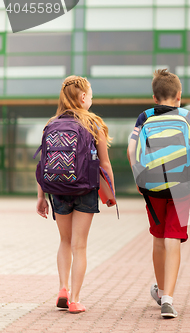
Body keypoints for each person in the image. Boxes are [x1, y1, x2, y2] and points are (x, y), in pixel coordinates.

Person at [127, 69, 190, 318]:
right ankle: (169, 299)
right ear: (179, 95)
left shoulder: (144, 117)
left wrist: (139, 178)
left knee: (158, 238)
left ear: (154, 96)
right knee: (173, 238)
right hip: (182, 185)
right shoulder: (188, 117)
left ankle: (160, 293)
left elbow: (131, 151)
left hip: (152, 186)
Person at [36, 75, 115, 314]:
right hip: (85, 189)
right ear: (82, 98)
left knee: (65, 241)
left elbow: (42, 164)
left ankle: (63, 288)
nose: (91, 99)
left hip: (57, 190)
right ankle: (76, 299)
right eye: (90, 95)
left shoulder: (51, 124)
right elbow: (105, 164)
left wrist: (41, 197)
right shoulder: (94, 124)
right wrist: (110, 193)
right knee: (80, 246)